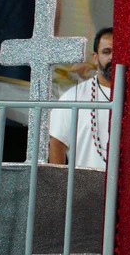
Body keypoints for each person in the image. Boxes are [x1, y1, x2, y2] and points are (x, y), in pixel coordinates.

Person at [48, 27, 113, 171]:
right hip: (83, 188)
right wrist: (60, 186)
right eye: (106, 52)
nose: (112, 57)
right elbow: (57, 144)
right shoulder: (73, 97)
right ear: (95, 58)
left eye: (118, 52)